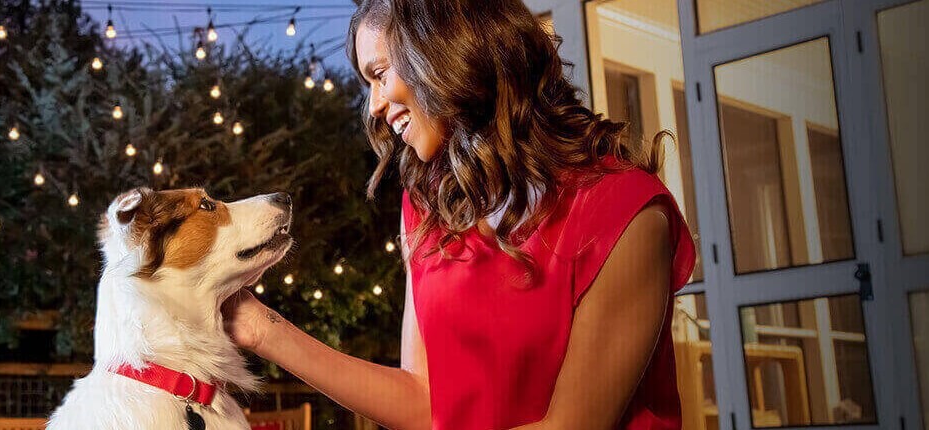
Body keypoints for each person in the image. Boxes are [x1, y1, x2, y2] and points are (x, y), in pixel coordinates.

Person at [219, 0, 696, 429]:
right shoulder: (427, 210)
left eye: (380, 74)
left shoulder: (626, 213)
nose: (375, 106)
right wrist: (262, 329)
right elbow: (425, 402)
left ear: (444, 53)